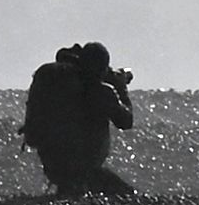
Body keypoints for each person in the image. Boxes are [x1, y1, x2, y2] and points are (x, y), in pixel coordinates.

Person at [18, 39, 136, 195]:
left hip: (52, 162)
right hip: (84, 168)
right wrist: (121, 88)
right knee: (127, 196)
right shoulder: (100, 91)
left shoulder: (59, 81)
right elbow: (126, 121)